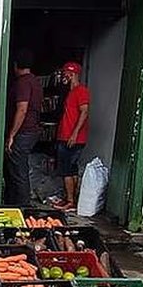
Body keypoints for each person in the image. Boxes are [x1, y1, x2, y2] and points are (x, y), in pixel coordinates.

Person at [3, 49, 43, 206]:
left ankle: (21, 206)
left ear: (15, 66)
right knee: (17, 168)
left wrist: (12, 134)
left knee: (18, 170)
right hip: (31, 131)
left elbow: (22, 109)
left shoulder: (23, 82)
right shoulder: (35, 81)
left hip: (23, 132)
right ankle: (15, 203)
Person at [53, 62, 90, 211]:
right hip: (67, 135)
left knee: (66, 170)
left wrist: (74, 134)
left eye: (66, 73)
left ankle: (69, 201)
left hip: (71, 137)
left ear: (73, 73)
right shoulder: (71, 92)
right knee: (72, 169)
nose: (64, 76)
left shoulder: (81, 91)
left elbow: (85, 111)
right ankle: (71, 199)